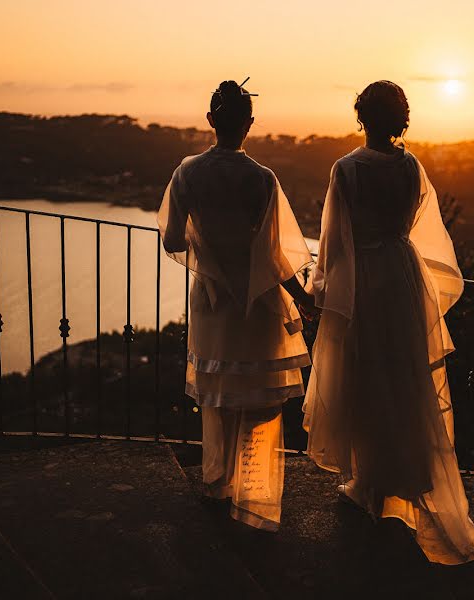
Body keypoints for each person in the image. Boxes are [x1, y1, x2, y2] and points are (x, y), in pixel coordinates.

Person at [303, 80, 474, 564]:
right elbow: (417, 226)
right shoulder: (411, 168)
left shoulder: (346, 170)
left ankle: (372, 485)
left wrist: (319, 287)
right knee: (405, 381)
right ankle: (396, 483)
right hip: (404, 281)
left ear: (362, 116)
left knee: (365, 379)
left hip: (365, 282)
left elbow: (335, 241)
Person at [157, 79, 315, 531]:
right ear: (249, 123)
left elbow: (171, 240)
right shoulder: (262, 179)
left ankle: (217, 482)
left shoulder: (186, 172)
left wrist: (207, 247)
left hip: (211, 303)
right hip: (257, 302)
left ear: (210, 120)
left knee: (219, 395)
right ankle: (254, 493)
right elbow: (276, 257)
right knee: (258, 400)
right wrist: (303, 299)